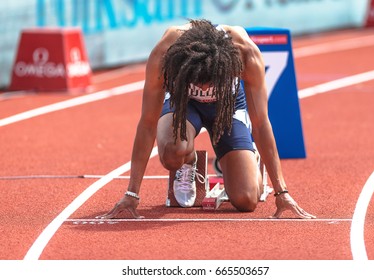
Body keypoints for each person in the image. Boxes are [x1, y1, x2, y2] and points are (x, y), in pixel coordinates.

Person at [98, 19, 315, 219]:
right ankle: (188, 160)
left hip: (227, 106)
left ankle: (249, 156)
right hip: (183, 102)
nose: (204, 90)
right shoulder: (165, 53)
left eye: (210, 83)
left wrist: (282, 191)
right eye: (199, 82)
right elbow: (147, 123)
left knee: (246, 200)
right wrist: (132, 193)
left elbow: (260, 123)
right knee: (173, 153)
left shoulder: (246, 53)